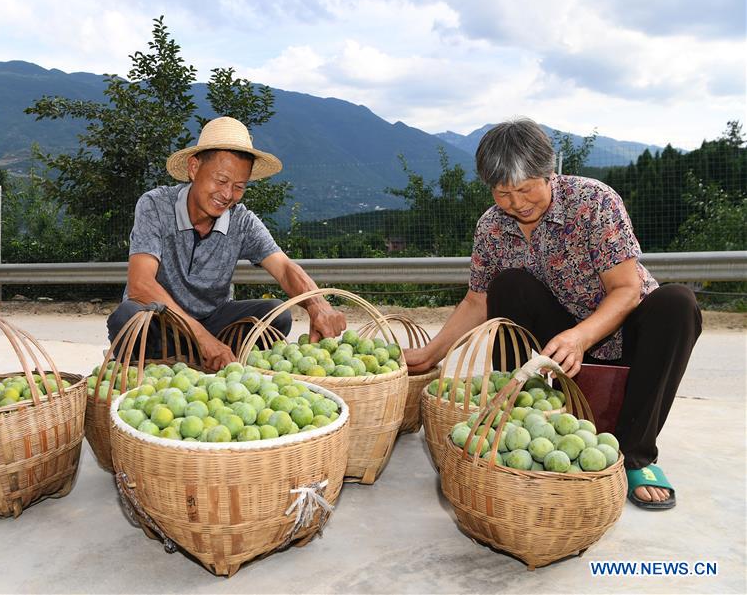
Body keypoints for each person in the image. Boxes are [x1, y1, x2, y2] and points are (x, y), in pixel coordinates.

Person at [404, 117, 701, 510]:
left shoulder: (594, 202)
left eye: (526, 189)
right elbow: (476, 302)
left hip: (623, 338)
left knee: (678, 303)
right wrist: (430, 354)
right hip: (557, 352)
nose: (517, 203)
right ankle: (527, 422)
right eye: (503, 193)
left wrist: (581, 336)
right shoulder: (492, 228)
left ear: (550, 172)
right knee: (507, 285)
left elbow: (626, 290)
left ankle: (635, 456)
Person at [108, 116, 346, 372]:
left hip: (214, 321)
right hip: (164, 323)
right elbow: (140, 285)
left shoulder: (241, 221)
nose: (227, 195)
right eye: (221, 181)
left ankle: (204, 360)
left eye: (239, 187)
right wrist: (202, 339)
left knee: (276, 314)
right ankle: (178, 360)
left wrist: (318, 305)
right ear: (193, 168)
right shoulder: (155, 205)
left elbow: (284, 267)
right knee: (128, 316)